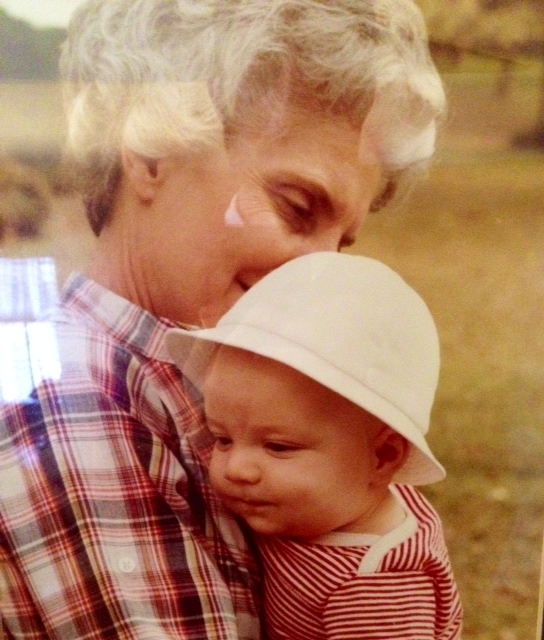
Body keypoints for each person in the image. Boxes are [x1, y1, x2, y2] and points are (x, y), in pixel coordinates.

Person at [0, 1, 446, 639]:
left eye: (342, 242)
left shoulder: (200, 380)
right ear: (152, 150)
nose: (316, 274)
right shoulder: (73, 401)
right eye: (296, 208)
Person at [167, 252, 463, 640]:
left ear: (383, 457)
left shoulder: (373, 587)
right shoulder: (331, 498)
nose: (236, 467)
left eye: (278, 447)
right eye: (222, 438)